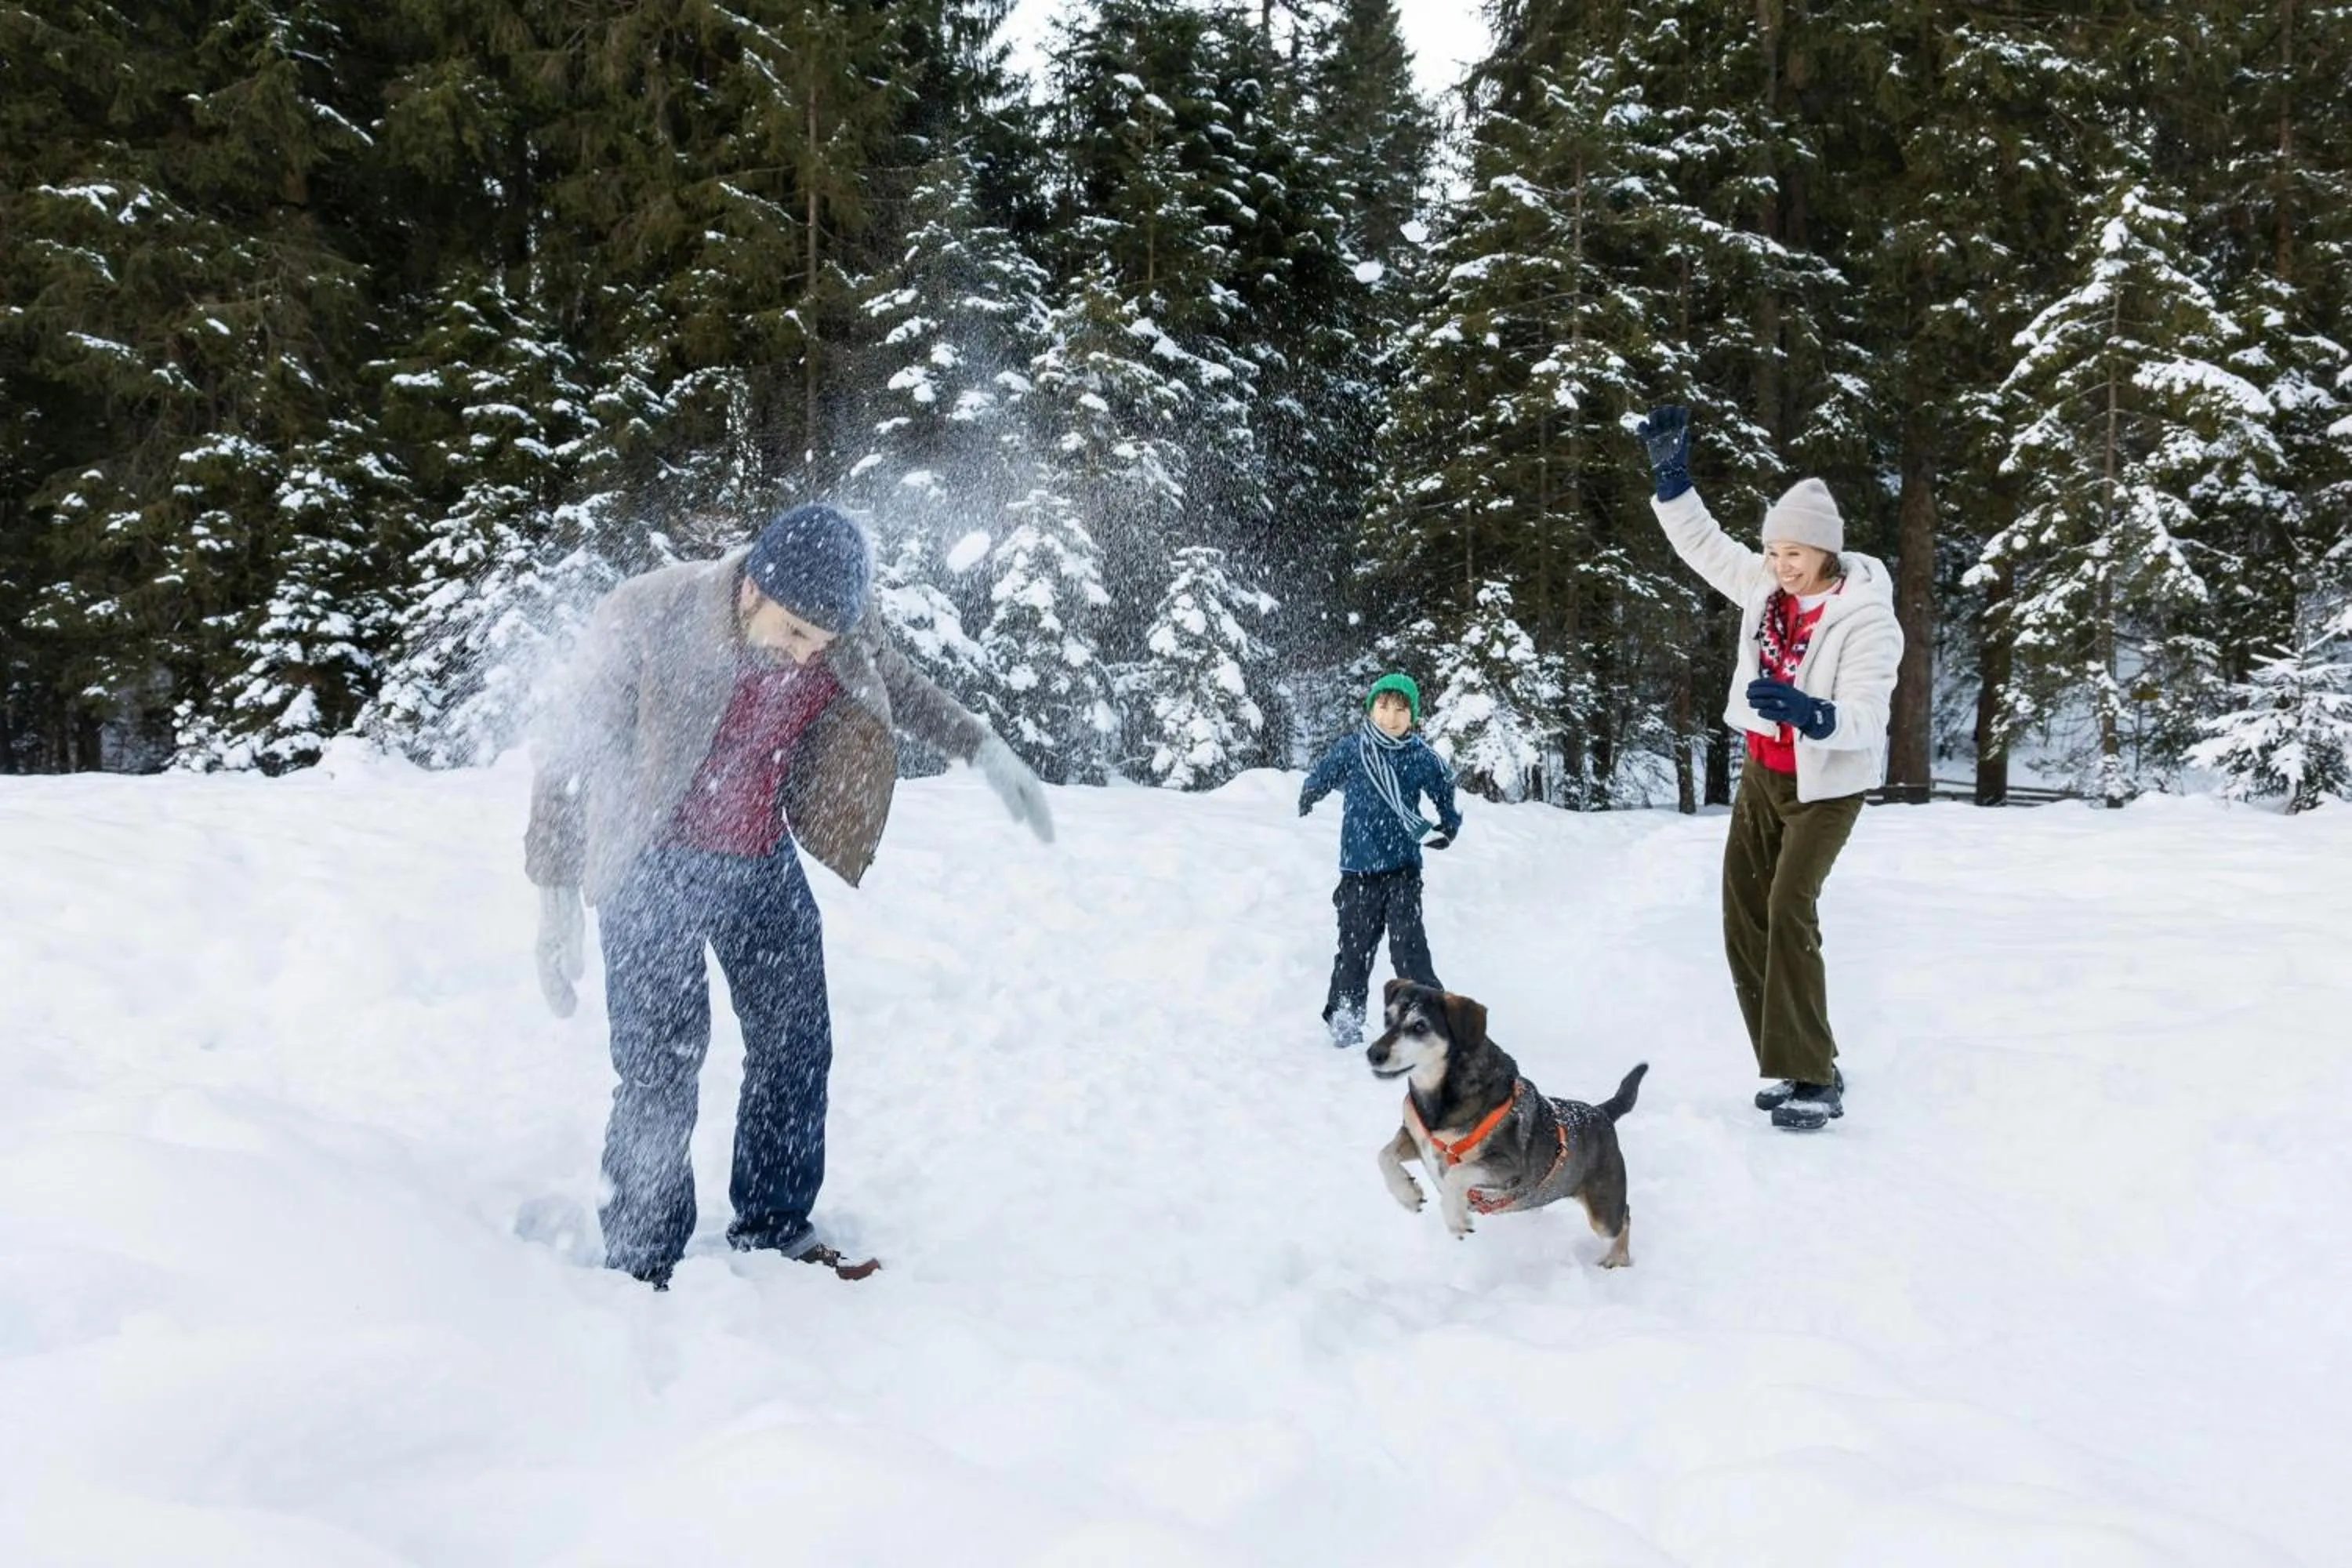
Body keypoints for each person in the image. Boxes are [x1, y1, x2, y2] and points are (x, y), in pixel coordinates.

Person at [525, 503, 1054, 1286]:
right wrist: (555, 889)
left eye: (824, 644)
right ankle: (640, 1255)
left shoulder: (835, 624)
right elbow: (570, 746)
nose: (809, 658)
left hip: (758, 858)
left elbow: (897, 685)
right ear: (751, 591)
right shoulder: (653, 611)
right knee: (662, 1068)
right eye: (796, 634)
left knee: (796, 1045)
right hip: (648, 862)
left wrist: (984, 746)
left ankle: (774, 1224)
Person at [1631, 405, 1902, 1130]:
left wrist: (1810, 712)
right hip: (1762, 775)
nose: (1781, 565)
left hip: (1825, 788)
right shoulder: (1764, 590)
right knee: (1743, 916)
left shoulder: (1866, 617)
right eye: (1775, 550)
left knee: (1788, 907)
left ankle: (1816, 1077)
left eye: (1795, 554)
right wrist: (1672, 479)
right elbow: (1705, 547)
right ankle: (1792, 1061)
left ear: (1825, 555)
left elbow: (1868, 716)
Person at [1298, 673, 1463, 1047]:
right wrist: (1311, 791)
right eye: (1383, 707)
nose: (1391, 717)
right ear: (1371, 709)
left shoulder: (1421, 757)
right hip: (1357, 872)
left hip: (1403, 870)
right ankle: (1344, 1016)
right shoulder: (1354, 748)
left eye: (1401, 709)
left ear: (1413, 715)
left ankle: (1426, 1017)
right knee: (1354, 950)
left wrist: (1448, 826)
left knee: (1409, 948)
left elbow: (1444, 791)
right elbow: (1324, 773)